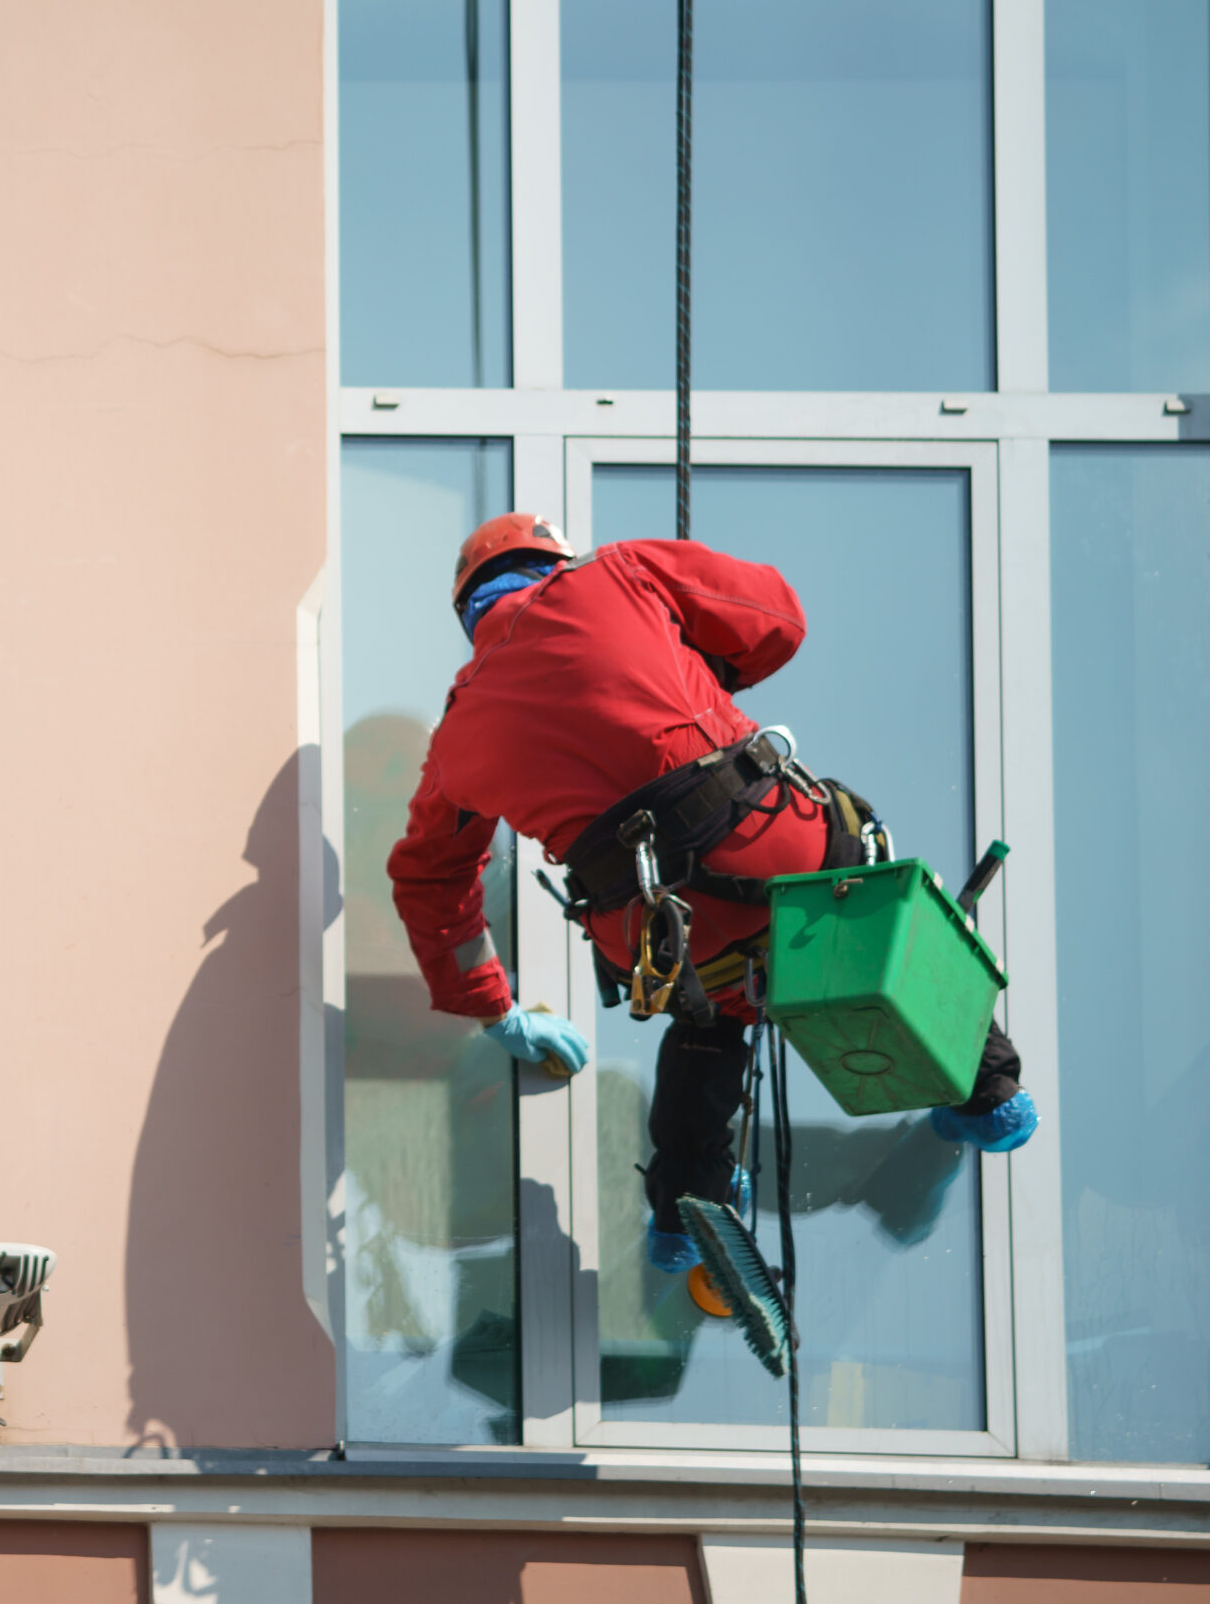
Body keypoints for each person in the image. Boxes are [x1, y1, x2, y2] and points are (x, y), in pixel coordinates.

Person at [387, 513, 1036, 1274]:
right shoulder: (617, 573)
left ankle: (680, 1206)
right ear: (552, 562)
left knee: (708, 1012)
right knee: (857, 869)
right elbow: (778, 617)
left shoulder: (457, 735)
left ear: (472, 614)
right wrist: (694, 668)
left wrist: (495, 1008)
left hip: (656, 930)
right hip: (770, 847)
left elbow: (427, 880)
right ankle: (986, 1087)